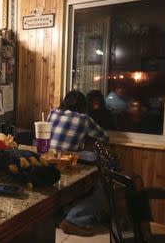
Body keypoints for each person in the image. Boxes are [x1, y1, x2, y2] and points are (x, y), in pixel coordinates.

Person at [46, 90, 108, 237]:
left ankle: (62, 215)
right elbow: (105, 137)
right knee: (101, 187)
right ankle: (73, 220)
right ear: (83, 105)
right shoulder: (84, 119)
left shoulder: (52, 113)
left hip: (48, 161)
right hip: (66, 162)